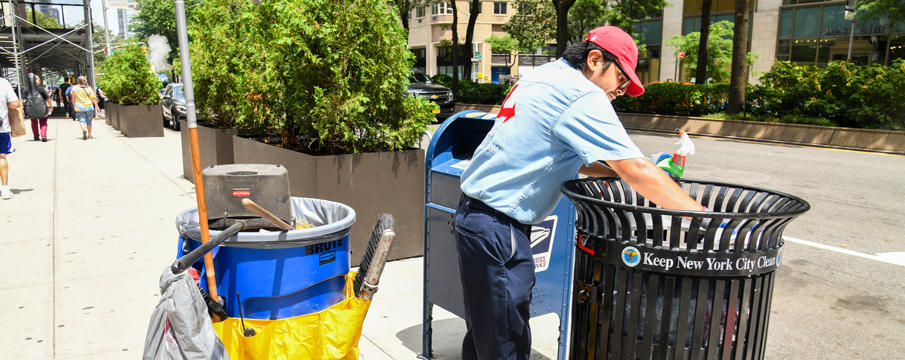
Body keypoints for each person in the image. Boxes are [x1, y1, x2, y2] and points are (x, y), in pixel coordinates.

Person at [452, 26, 705, 360]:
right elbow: (635, 171)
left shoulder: (541, 77)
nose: (622, 90)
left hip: (475, 219)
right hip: (500, 229)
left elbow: (561, 157)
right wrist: (701, 217)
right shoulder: (582, 94)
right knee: (506, 344)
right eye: (621, 78)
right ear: (595, 59)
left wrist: (630, 168)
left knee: (486, 336)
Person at [0, 77, 20, 200]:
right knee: (1, 156)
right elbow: (14, 103)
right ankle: (5, 190)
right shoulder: (3, 82)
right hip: (1, 127)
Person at [23, 74, 53, 142]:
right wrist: (50, 106)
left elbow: (23, 100)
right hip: (41, 108)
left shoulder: (27, 89)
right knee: (43, 122)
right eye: (39, 80)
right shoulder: (41, 88)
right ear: (35, 80)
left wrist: (22, 108)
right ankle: (43, 135)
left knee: (34, 123)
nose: (39, 81)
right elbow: (47, 99)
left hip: (31, 109)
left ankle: (36, 136)